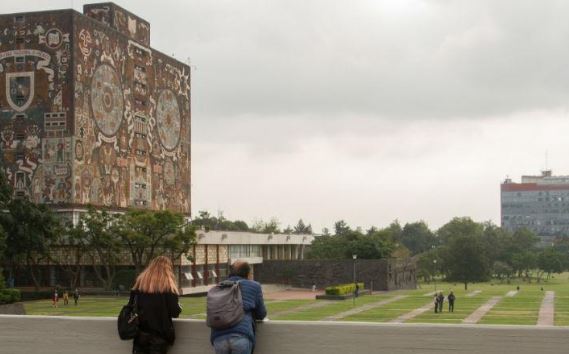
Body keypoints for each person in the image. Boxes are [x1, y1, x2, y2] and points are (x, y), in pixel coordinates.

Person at [211, 260, 267, 354]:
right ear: (248, 274)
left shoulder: (219, 286)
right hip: (241, 335)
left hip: (219, 338)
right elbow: (261, 313)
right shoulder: (254, 286)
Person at [130, 256, 182, 354]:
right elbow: (175, 313)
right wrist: (179, 306)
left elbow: (131, 305)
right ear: (168, 269)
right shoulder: (168, 287)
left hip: (140, 334)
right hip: (160, 335)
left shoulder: (139, 284)